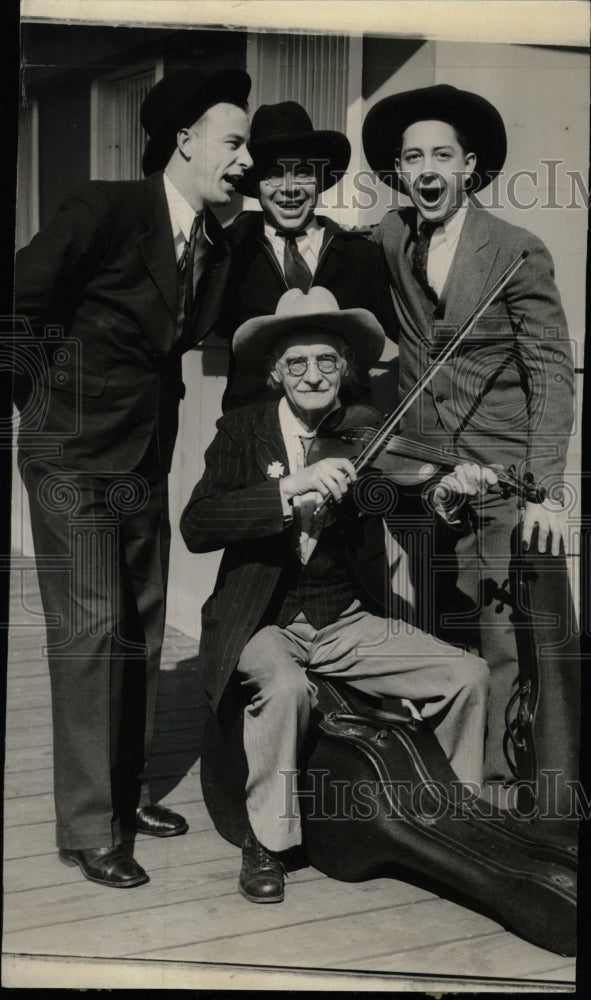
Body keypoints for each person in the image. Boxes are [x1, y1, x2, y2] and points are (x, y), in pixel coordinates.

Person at [13, 67, 253, 888]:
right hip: (73, 455)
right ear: (184, 139)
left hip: (145, 455)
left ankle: (127, 791)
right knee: (90, 633)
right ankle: (88, 829)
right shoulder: (105, 208)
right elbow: (20, 302)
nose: (245, 160)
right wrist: (42, 407)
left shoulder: (217, 242)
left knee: (143, 626)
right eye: (235, 140)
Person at [180, 286, 495, 904]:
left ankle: (456, 820)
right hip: (261, 621)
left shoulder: (366, 431)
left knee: (468, 674)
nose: (313, 374)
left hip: (343, 619)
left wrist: (451, 492)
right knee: (286, 686)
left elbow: (413, 511)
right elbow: (197, 525)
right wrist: (288, 488)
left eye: (327, 361)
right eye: (296, 363)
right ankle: (267, 841)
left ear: (345, 369)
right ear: (276, 372)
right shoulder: (242, 432)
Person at [362, 84, 575, 783]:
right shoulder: (390, 237)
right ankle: (441, 772)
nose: (426, 169)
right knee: (431, 623)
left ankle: (496, 786)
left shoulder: (516, 250)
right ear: (399, 170)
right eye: (412, 156)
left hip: (497, 474)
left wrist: (543, 490)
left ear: (467, 166)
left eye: (441, 155)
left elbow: (549, 373)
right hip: (421, 473)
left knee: (499, 633)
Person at [220, 100, 395, 410]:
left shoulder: (361, 254)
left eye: (302, 173)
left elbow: (405, 330)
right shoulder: (230, 255)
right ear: (256, 183)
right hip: (256, 431)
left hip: (342, 432)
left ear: (319, 180)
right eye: (274, 174)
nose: (289, 189)